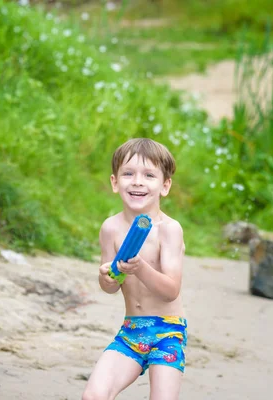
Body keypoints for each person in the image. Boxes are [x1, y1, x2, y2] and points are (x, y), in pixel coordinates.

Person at [82, 138, 187, 400]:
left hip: (168, 331)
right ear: (115, 182)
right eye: (128, 174)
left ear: (165, 186)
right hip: (131, 330)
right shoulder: (111, 228)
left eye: (149, 175)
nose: (138, 181)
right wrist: (106, 277)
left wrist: (140, 268)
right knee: (93, 396)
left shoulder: (169, 230)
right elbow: (111, 286)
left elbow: (171, 290)